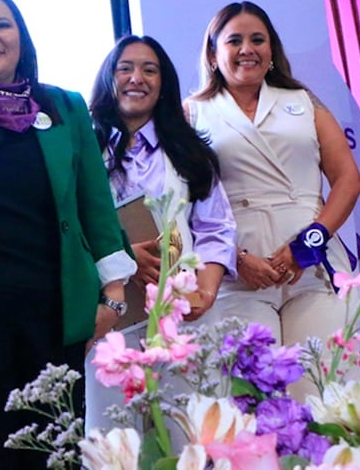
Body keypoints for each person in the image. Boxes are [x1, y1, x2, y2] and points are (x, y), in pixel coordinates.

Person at [0, 0, 136, 468]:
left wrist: (114, 299)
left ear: (21, 37)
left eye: (2, 25)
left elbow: (94, 206)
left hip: (51, 320)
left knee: (50, 456)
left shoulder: (65, 107)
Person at [186, 0, 360, 399]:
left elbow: (349, 180)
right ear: (214, 55)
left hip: (312, 272)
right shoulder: (193, 114)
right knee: (251, 407)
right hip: (236, 277)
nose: (247, 48)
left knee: (323, 398)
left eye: (257, 39)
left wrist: (306, 246)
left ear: (272, 51)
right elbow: (184, 206)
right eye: (234, 40)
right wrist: (237, 258)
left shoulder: (304, 103)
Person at [85, 34, 237, 429]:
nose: (137, 78)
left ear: (163, 83)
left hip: (182, 320)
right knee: (115, 443)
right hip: (111, 322)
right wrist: (122, 256)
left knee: (187, 434)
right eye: (125, 68)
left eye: (149, 70)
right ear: (108, 79)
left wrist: (206, 289)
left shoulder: (189, 152)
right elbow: (68, 228)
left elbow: (216, 226)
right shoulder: (82, 149)